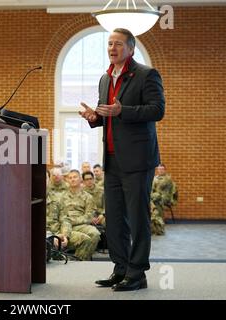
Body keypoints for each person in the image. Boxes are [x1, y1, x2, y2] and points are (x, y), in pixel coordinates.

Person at [79, 28, 165, 291]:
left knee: (137, 218)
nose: (112, 48)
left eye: (117, 44)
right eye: (109, 44)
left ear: (130, 48)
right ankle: (120, 269)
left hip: (138, 160)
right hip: (113, 159)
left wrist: (122, 110)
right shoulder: (106, 79)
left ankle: (137, 273)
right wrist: (95, 118)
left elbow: (157, 110)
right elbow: (107, 115)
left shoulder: (146, 74)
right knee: (115, 218)